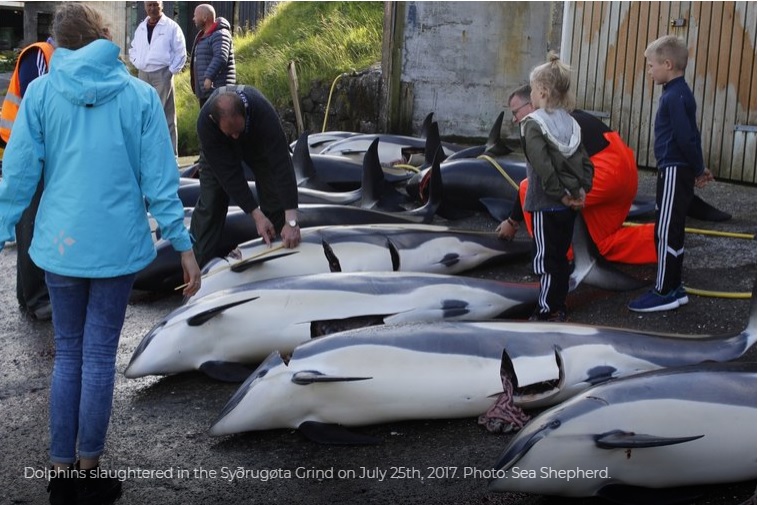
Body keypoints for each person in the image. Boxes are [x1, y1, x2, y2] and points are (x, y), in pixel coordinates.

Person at [0, 4, 201, 504]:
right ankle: (89, 471)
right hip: (115, 247)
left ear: (59, 44)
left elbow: (19, 176)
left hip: (59, 246)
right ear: (106, 36)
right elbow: (160, 182)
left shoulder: (42, 92)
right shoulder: (137, 97)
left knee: (67, 354)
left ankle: (60, 470)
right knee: (96, 358)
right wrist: (184, 247)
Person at [498, 84, 656, 265]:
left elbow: (537, 182)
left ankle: (554, 254)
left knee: (531, 189)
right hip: (624, 174)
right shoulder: (567, 115)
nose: (514, 119)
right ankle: (666, 239)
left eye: (515, 112)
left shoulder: (543, 125)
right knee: (598, 242)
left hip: (605, 174)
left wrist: (512, 222)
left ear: (531, 104)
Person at [627, 35, 713, 312]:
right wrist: (698, 167)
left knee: (665, 231)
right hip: (677, 169)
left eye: (651, 66)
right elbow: (693, 136)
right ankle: (674, 286)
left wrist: (698, 169)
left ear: (668, 64)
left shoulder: (675, 96)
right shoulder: (679, 93)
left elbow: (687, 138)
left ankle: (665, 291)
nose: (649, 71)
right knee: (673, 229)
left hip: (675, 170)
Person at [507, 54, 593, 322]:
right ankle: (560, 304)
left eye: (532, 89)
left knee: (545, 260)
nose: (530, 94)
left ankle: (546, 310)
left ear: (542, 91)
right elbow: (585, 162)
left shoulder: (533, 124)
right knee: (560, 257)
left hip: (546, 203)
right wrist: (581, 191)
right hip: (569, 205)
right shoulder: (570, 122)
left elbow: (542, 166)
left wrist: (561, 195)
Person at [190, 85, 301, 268]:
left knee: (274, 193)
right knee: (211, 202)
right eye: (230, 132)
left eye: (238, 131)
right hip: (218, 150)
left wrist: (292, 219)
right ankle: (197, 267)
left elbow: (282, 165)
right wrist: (256, 215)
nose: (235, 136)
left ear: (245, 112)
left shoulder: (263, 112)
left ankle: (282, 252)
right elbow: (230, 177)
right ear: (213, 120)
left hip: (256, 141)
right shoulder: (205, 123)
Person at [0, 38, 56, 320]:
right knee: (31, 222)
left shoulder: (44, 56)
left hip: (28, 147)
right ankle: (37, 298)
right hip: (27, 150)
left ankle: (28, 295)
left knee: (30, 223)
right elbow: (42, 103)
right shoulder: (41, 55)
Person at [129, 0, 187, 157]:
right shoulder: (141, 27)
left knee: (162, 115)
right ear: (145, 6)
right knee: (144, 114)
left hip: (162, 73)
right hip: (143, 74)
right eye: (149, 5)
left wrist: (171, 72)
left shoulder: (171, 27)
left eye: (155, 4)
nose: (152, 8)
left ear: (162, 5)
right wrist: (137, 62)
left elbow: (180, 51)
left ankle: (169, 155)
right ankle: (148, 154)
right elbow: (133, 48)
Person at [189, 4, 236, 107]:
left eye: (195, 15)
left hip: (219, 92)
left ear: (205, 18)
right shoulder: (203, 35)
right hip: (207, 93)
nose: (193, 19)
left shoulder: (220, 34)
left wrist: (209, 77)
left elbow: (220, 56)